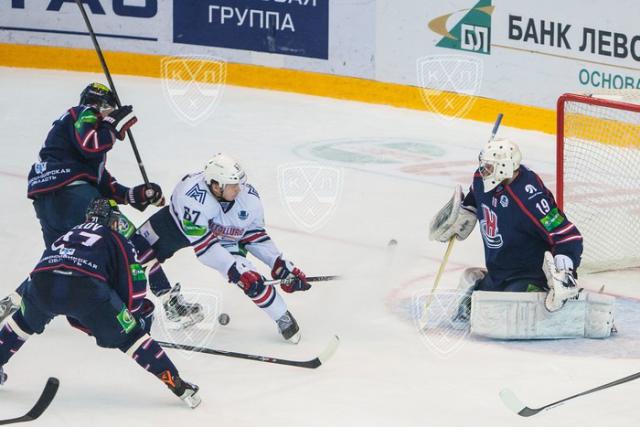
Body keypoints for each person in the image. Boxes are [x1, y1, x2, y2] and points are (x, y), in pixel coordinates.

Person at [0, 198, 201, 408]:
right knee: (132, 337)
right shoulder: (117, 238)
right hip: (86, 289)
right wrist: (131, 319)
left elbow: (42, 267)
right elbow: (135, 283)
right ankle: (179, 386)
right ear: (113, 220)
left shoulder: (69, 233)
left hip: (42, 284)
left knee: (20, 324)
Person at [0, 83, 167, 321]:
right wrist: (112, 126)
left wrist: (137, 195)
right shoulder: (83, 112)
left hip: (48, 200)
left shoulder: (69, 142)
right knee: (132, 240)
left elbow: (103, 183)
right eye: (110, 108)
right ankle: (171, 301)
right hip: (73, 196)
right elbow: (91, 143)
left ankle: (15, 301)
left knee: (57, 256)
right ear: (99, 104)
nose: (111, 113)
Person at [130, 153, 311, 343]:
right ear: (216, 185)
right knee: (134, 249)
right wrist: (232, 270)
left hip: (224, 238)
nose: (238, 189)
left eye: (238, 183)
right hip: (175, 226)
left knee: (250, 281)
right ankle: (155, 301)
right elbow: (206, 248)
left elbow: (254, 234)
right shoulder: (192, 199)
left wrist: (278, 263)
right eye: (233, 185)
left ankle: (282, 316)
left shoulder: (248, 198)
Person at [429, 138, 583, 315]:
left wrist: (564, 271)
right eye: (483, 165)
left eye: (489, 166)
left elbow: (568, 236)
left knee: (504, 313)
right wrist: (462, 213)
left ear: (504, 167)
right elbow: (474, 198)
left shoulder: (529, 197)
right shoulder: (481, 179)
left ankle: (544, 292)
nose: (483, 170)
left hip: (528, 274)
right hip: (499, 272)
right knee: (471, 306)